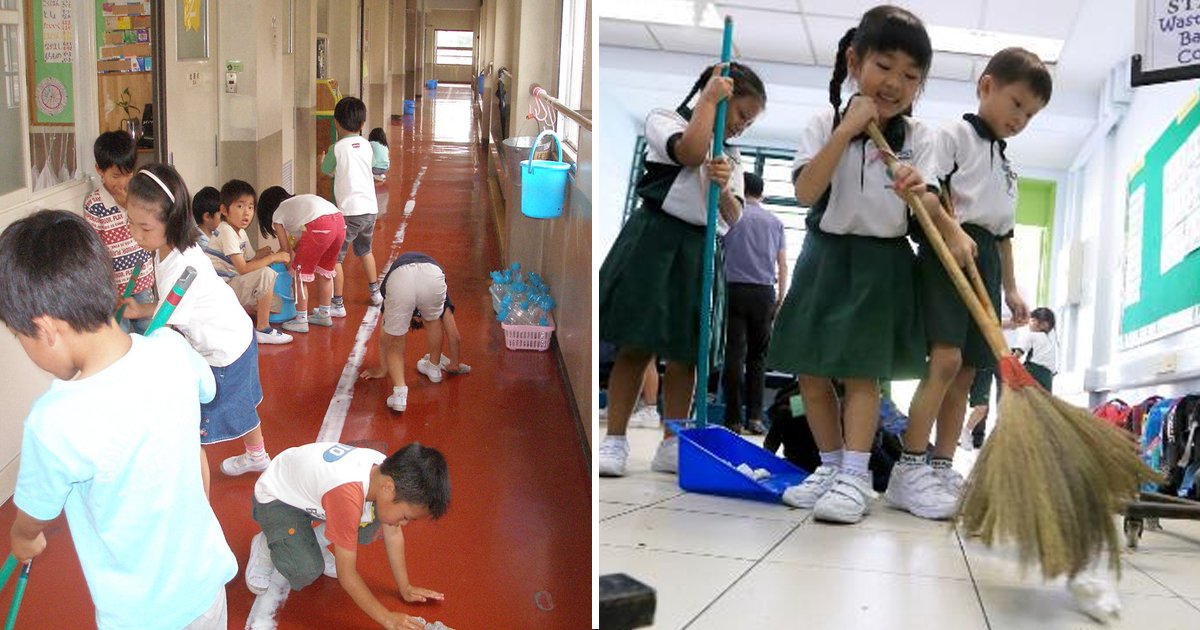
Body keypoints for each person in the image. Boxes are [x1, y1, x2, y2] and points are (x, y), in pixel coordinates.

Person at [767, 5, 976, 524]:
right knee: (812, 373)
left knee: (863, 375)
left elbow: (926, 209)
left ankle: (858, 476)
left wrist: (917, 192)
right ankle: (832, 467)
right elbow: (805, 191)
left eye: (911, 76)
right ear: (854, 61)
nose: (895, 83)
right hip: (825, 256)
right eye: (885, 66)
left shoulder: (919, 139)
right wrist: (846, 131)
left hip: (881, 263)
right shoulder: (822, 123)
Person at [0, 210, 236, 630]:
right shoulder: (170, 350)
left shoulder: (54, 421)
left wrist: (21, 536)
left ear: (46, 329)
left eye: (21, 339)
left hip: (143, 616)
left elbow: (34, 516)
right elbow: (207, 391)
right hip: (205, 583)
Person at [890, 47, 1051, 520]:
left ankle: (941, 466)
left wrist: (1013, 289)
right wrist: (954, 231)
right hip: (946, 254)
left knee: (967, 375)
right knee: (945, 361)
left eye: (1031, 114)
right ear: (986, 87)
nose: (1021, 118)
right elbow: (930, 189)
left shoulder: (1007, 166)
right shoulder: (953, 134)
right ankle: (908, 467)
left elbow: (1003, 232)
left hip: (986, 261)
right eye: (1016, 104)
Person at [597, 61, 766, 478]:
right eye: (742, 114)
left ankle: (673, 441)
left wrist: (722, 184)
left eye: (750, 121)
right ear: (720, 96)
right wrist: (709, 100)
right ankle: (615, 439)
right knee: (636, 344)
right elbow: (688, 152)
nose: (743, 127)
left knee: (687, 353)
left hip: (701, 249)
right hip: (654, 240)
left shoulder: (735, 157)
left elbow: (734, 217)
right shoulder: (665, 119)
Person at [120, 164, 274, 494]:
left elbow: (165, 327)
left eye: (144, 228)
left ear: (172, 221)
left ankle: (201, 511)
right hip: (236, 335)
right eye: (130, 222)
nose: (135, 234)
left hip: (223, 351)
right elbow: (172, 306)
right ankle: (258, 455)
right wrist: (143, 308)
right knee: (243, 400)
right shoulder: (167, 248)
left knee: (192, 434)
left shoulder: (181, 263)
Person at [245, 442, 450, 630]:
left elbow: (393, 533)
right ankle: (267, 542)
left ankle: (309, 541)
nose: (403, 523)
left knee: (377, 519)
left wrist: (405, 587)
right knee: (306, 569)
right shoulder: (347, 495)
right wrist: (387, 618)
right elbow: (347, 575)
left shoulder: (385, 472)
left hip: (309, 494)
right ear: (388, 488)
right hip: (277, 499)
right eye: (406, 517)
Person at [721, 171, 787, 435]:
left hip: (733, 289)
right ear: (761, 193)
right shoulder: (775, 222)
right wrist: (781, 295)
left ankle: (733, 419)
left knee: (734, 355)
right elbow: (782, 264)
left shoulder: (731, 213)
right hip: (764, 293)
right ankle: (756, 418)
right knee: (758, 358)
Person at [358, 252, 467, 412]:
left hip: (400, 278)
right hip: (433, 275)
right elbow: (454, 336)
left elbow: (384, 339)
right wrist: (454, 364)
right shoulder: (443, 299)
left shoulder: (389, 289)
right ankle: (434, 369)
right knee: (433, 322)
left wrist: (383, 368)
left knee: (396, 338)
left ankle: (400, 395)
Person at [83, 130, 155, 334]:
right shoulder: (94, 204)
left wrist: (128, 205)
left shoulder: (140, 196)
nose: (122, 182)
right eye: (115, 176)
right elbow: (94, 251)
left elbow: (151, 227)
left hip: (141, 281)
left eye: (127, 174)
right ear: (99, 170)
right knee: (120, 337)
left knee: (148, 332)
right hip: (113, 289)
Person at [257, 186, 348, 334]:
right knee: (326, 270)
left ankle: (300, 320)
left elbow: (285, 249)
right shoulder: (297, 204)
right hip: (339, 222)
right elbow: (302, 244)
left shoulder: (277, 214)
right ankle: (324, 314)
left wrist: (283, 264)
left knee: (299, 275)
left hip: (320, 225)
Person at [322, 96, 383, 315]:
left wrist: (324, 161)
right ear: (362, 124)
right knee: (365, 250)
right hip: (370, 210)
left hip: (349, 212)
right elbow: (372, 167)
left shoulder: (336, 148)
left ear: (336, 123)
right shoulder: (367, 146)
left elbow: (326, 170)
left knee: (335, 258)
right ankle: (375, 292)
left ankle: (337, 304)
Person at [214, 179, 294, 344]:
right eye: (240, 206)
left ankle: (238, 312)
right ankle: (263, 328)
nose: (247, 213)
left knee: (275, 304)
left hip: (233, 283)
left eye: (251, 207)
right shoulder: (226, 230)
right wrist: (272, 258)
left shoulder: (240, 232)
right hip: (222, 287)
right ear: (224, 210)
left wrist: (262, 253)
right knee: (266, 273)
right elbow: (243, 268)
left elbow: (249, 258)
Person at [1015, 306, 1058, 391]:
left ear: (1043, 325)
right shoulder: (1051, 341)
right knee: (1044, 400)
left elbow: (1018, 353)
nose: (1029, 323)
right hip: (1048, 376)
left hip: (1033, 371)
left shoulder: (1031, 335)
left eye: (1033, 320)